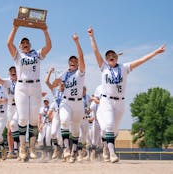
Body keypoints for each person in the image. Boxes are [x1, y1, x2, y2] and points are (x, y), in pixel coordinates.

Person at [88, 27, 166, 163]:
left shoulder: (124, 67)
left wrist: (155, 52)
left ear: (117, 58)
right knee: (110, 125)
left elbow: (142, 60)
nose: (111, 58)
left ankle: (106, 146)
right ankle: (112, 153)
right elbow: (95, 51)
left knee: (114, 130)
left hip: (120, 103)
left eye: (113, 56)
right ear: (106, 59)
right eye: (108, 57)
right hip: (106, 101)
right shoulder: (104, 68)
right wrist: (91, 37)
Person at [7, 24, 52, 161]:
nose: (25, 44)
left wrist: (45, 31)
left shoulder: (36, 54)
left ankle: (31, 148)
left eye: (27, 43)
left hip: (36, 86)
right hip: (21, 87)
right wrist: (15, 27)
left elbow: (48, 47)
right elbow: (9, 43)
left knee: (33, 119)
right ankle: (22, 147)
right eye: (23, 43)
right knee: (22, 118)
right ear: (20, 46)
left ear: (30, 45)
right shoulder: (17, 55)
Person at [52, 33, 86, 163]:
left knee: (76, 129)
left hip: (78, 103)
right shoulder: (64, 73)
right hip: (66, 101)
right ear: (68, 63)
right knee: (64, 121)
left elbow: (81, 57)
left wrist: (76, 42)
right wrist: (58, 82)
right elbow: (54, 84)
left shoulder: (80, 73)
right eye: (70, 61)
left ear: (77, 63)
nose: (72, 62)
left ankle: (73, 151)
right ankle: (66, 149)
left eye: (74, 61)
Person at [45, 67, 64, 160]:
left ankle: (65, 151)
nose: (62, 84)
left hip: (64, 115)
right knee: (53, 133)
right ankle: (56, 148)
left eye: (64, 83)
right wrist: (49, 72)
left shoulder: (68, 92)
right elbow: (46, 82)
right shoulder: (55, 91)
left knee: (62, 136)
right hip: (56, 115)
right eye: (61, 82)